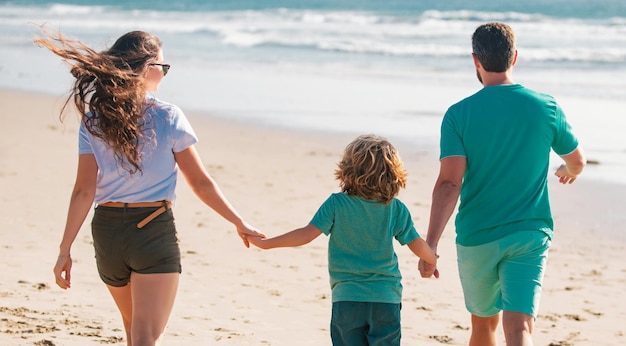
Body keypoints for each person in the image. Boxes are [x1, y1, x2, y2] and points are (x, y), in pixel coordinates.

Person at [35, 30, 265, 346]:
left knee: (133, 330)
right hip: (151, 229)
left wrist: (65, 249)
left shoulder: (94, 119)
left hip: (107, 231)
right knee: (145, 335)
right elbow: (199, 182)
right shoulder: (168, 115)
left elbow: (83, 191)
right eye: (163, 66)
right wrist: (239, 222)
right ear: (146, 68)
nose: (165, 73)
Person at [418, 22, 586, 346]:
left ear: (475, 60)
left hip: (477, 237)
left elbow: (449, 183)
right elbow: (578, 160)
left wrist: (431, 244)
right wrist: (570, 169)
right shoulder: (545, 107)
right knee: (520, 327)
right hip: (529, 234)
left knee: (483, 328)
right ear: (515, 57)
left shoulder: (458, 115)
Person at [247, 134, 438, 346]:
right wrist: (431, 259)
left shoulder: (336, 204)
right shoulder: (395, 208)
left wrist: (267, 243)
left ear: (348, 169)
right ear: (393, 174)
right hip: (385, 298)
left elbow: (305, 234)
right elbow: (417, 244)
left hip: (347, 298)